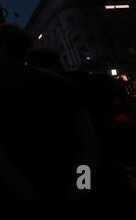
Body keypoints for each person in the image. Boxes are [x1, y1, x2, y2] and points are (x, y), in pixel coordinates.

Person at [0, 23, 100, 200]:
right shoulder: (63, 83)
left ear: (1, 49)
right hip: (65, 185)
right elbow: (88, 144)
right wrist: (81, 189)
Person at [27, 47, 133, 198]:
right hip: (112, 163)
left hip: (83, 171)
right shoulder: (98, 81)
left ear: (38, 66)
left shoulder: (55, 90)